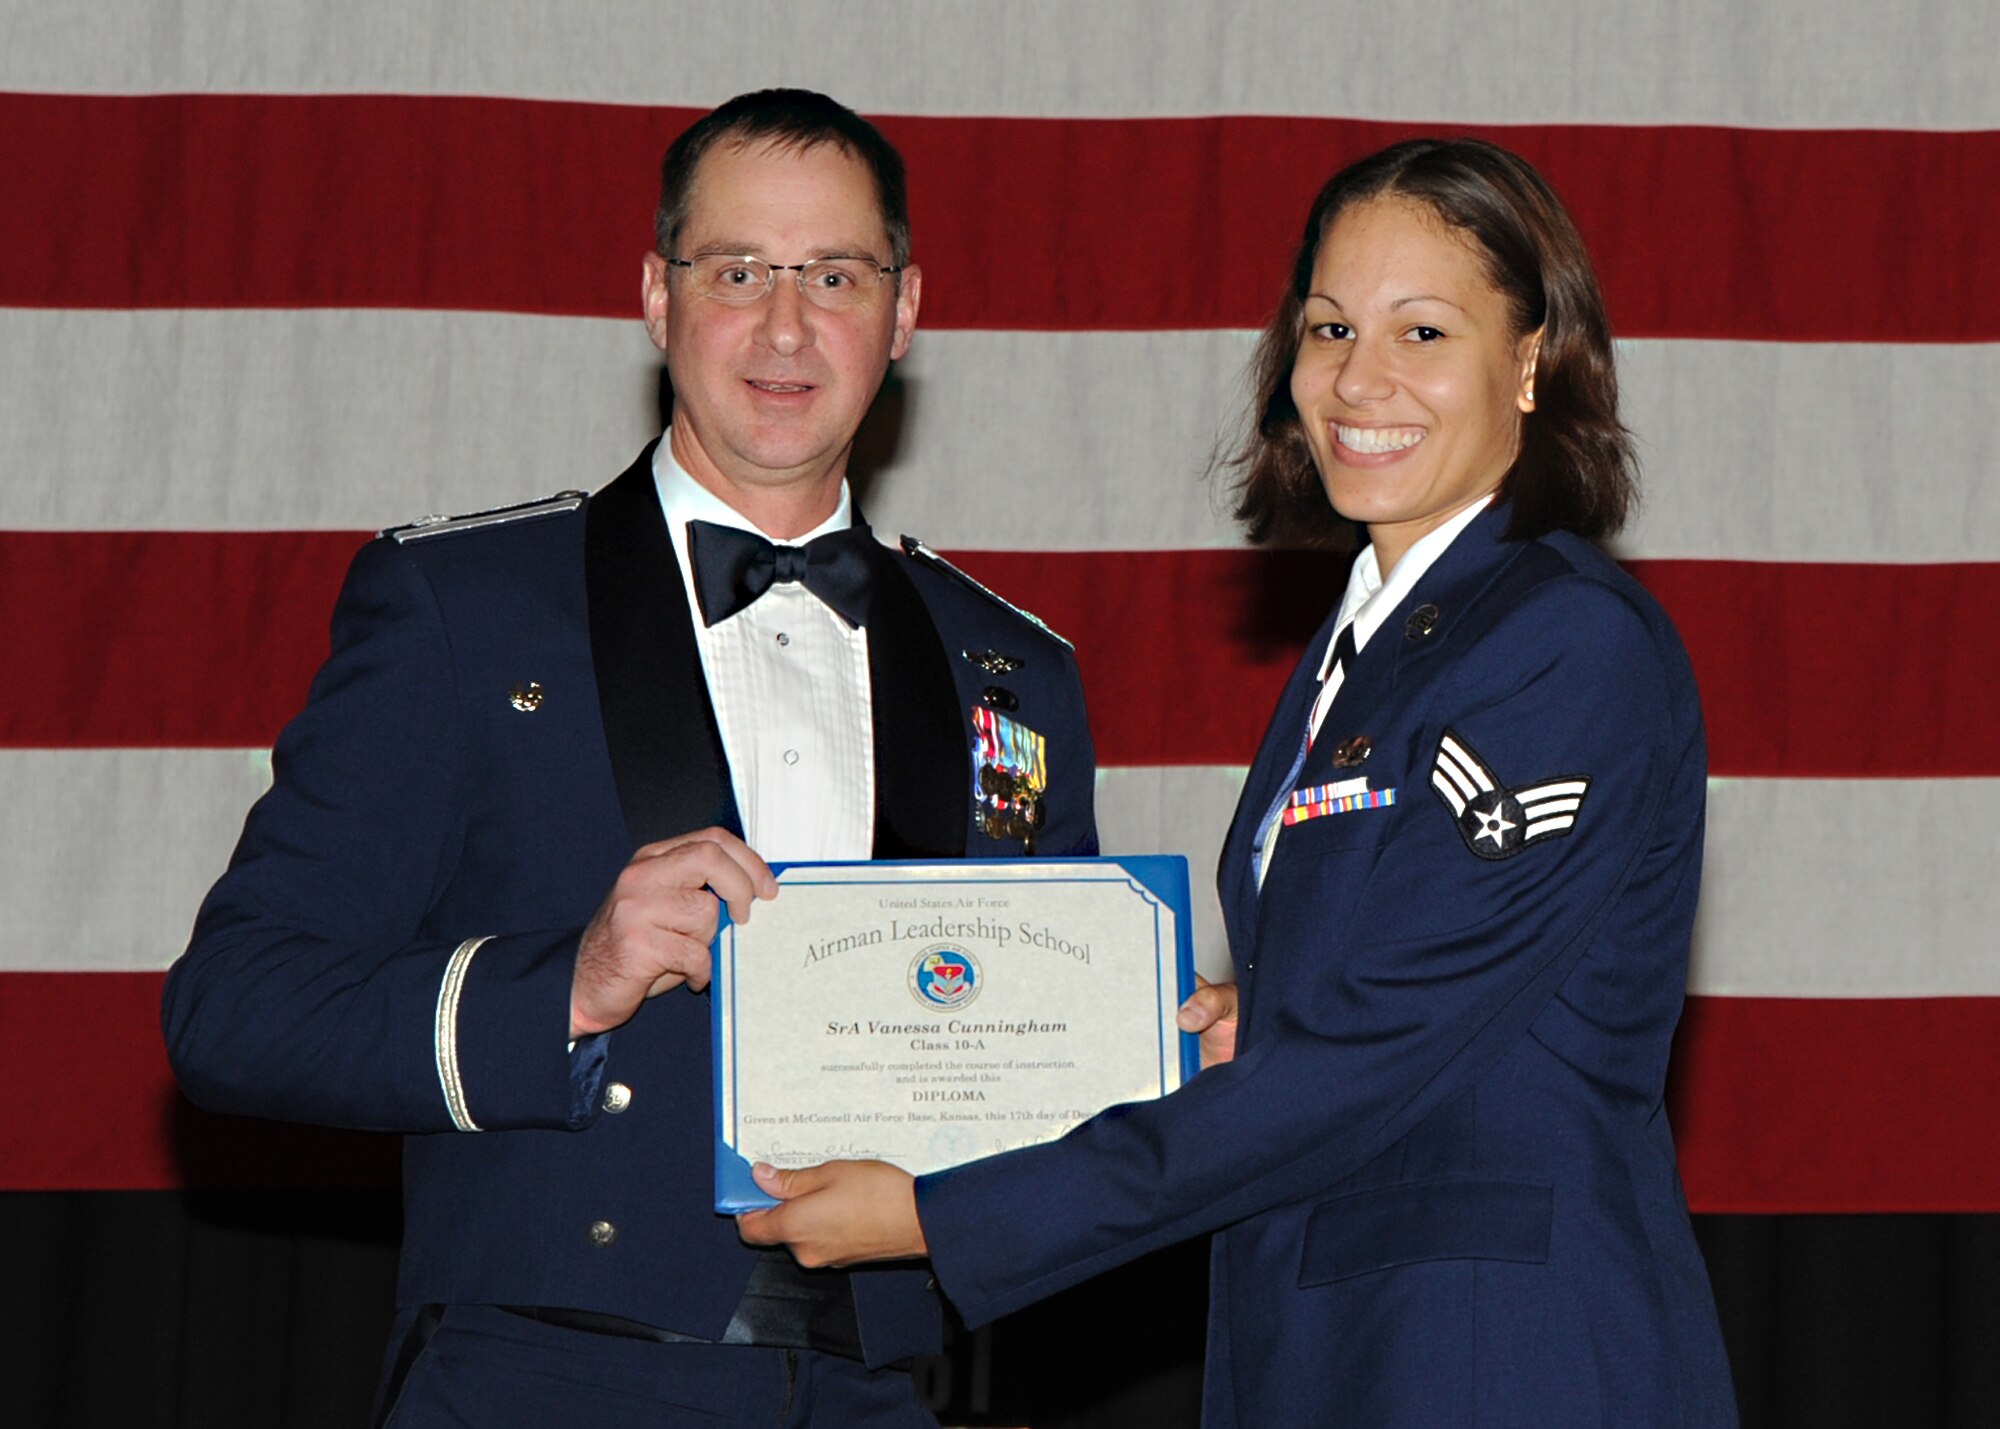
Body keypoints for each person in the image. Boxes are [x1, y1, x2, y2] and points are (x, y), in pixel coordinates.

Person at [740, 138, 1738, 1426]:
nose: (1359, 378)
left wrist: (948, 1213)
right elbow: (1380, 1001)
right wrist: (1242, 1021)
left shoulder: (1561, 641)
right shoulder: (1375, 641)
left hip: (1492, 1355)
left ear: (1534, 359)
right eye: (1329, 327)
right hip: (1328, 1341)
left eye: (1422, 330)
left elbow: (1373, 1056)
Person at [161, 88, 1098, 1428]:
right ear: (659, 298)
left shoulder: (1014, 668)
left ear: (904, 313)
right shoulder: (464, 611)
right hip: (549, 1372)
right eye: (737, 272)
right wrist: (569, 984)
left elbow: (1032, 1079)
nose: (786, 325)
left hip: (887, 1389)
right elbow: (233, 1009)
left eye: (833, 274)